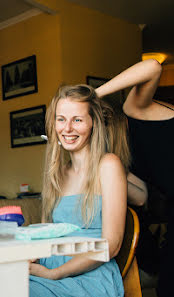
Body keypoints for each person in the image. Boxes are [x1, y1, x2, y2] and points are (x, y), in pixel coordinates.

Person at [28, 84, 128, 296]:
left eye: (78, 120)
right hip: (48, 266)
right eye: (61, 119)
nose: (67, 128)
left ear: (93, 123)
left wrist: (54, 274)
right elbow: (49, 234)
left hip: (88, 274)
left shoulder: (108, 165)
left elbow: (111, 245)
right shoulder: (58, 174)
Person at [95, 59, 174, 297]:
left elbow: (153, 67)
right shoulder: (123, 156)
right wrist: (98, 167)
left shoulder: (134, 110)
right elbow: (140, 197)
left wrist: (88, 96)